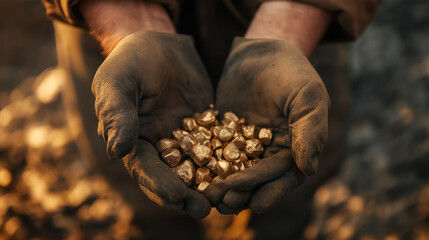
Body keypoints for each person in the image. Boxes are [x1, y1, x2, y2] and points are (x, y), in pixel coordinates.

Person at [41, 0, 380, 238]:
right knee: (140, 183)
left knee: (291, 186)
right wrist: (124, 14)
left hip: (299, 40)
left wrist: (294, 17)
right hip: (112, 30)